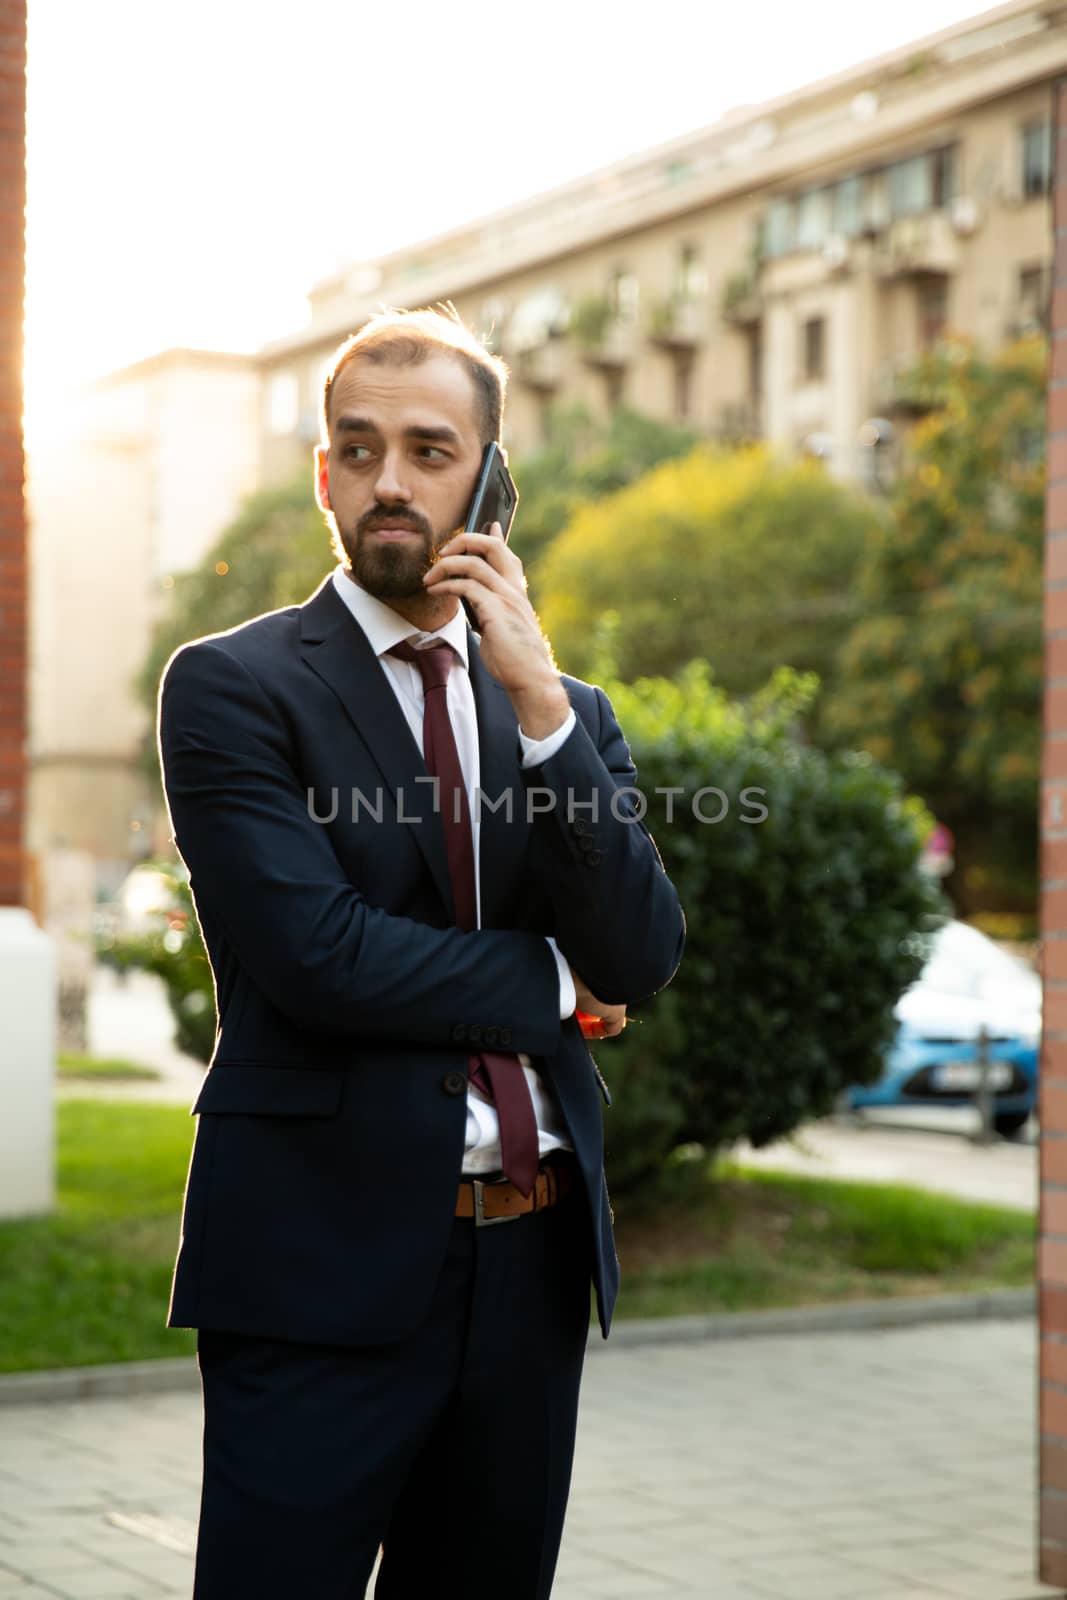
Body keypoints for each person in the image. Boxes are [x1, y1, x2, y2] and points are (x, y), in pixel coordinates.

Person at [158, 305, 685, 1600]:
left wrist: (545, 709)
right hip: (315, 1257)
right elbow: (320, 957)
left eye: (432, 448)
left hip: (532, 1261)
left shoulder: (563, 710)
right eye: (361, 447)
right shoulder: (234, 688)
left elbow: (645, 948)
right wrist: (559, 988)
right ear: (324, 474)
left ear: (493, 478)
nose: (392, 479)